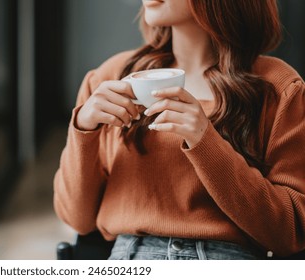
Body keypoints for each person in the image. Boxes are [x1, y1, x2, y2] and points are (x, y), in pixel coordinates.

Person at [53, 0, 305, 260]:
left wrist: (205, 141)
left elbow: (292, 232)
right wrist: (84, 129)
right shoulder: (109, 79)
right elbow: (77, 218)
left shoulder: (278, 88)